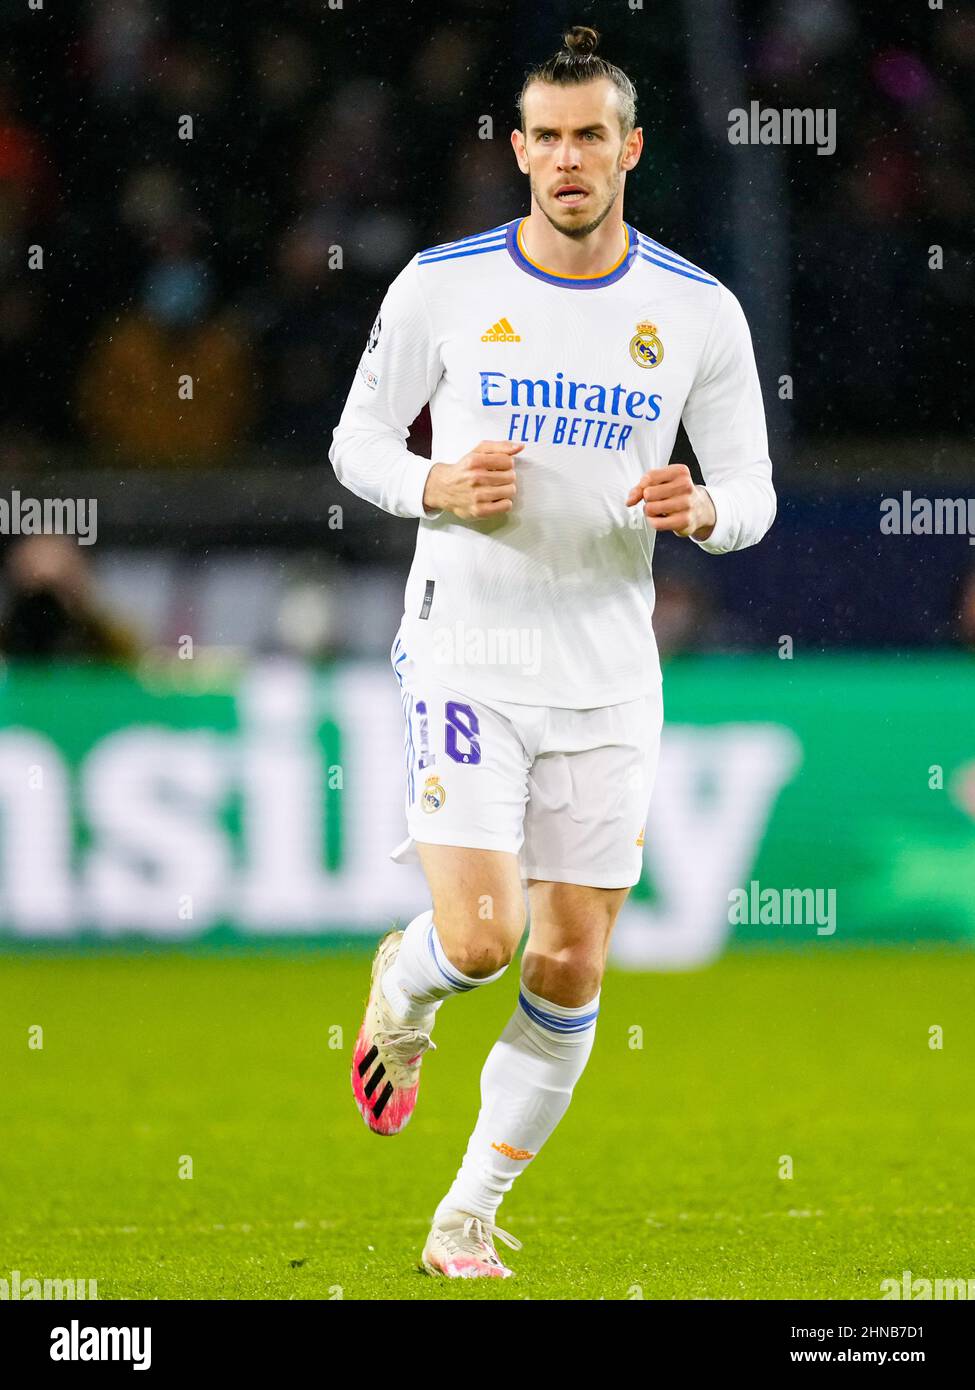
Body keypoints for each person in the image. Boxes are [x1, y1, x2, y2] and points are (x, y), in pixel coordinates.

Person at [329, 25, 776, 1280]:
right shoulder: (441, 284)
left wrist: (710, 512)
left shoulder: (697, 310)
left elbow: (754, 489)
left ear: (630, 148)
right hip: (468, 650)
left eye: (594, 136)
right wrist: (433, 483)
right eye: (549, 137)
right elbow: (354, 445)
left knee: (571, 960)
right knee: (480, 940)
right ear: (517, 149)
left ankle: (464, 1214)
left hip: (608, 674)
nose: (570, 159)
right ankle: (403, 991)